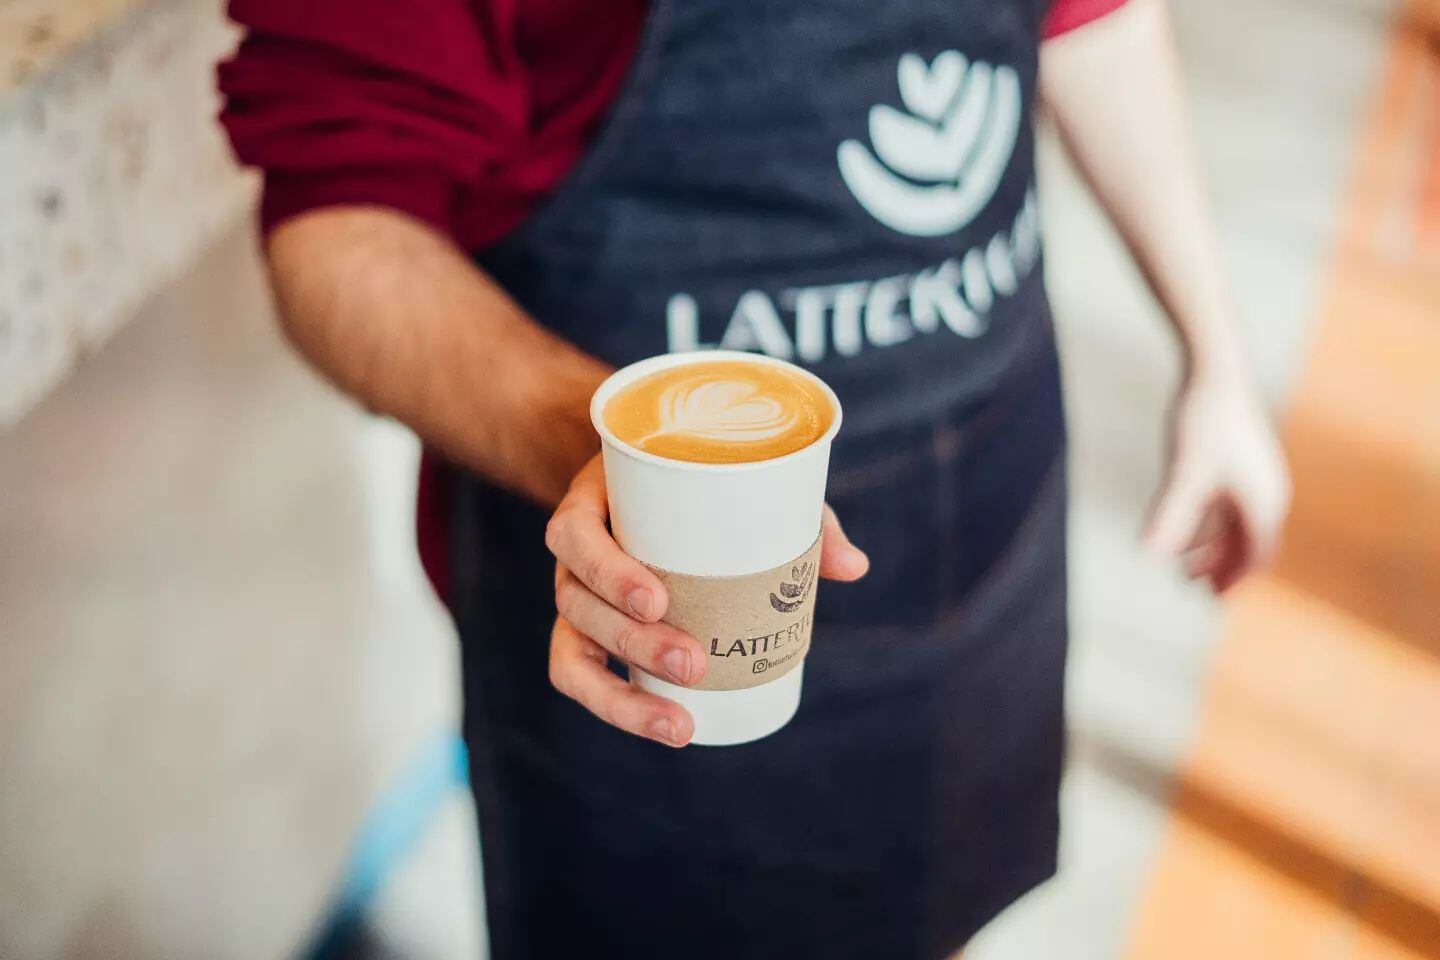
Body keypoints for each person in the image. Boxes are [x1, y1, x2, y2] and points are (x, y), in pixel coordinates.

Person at [218, 0, 1289, 956]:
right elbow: (340, 220)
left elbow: (1090, 14)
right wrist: (602, 450)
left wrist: (1218, 359)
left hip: (991, 508)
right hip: (648, 619)